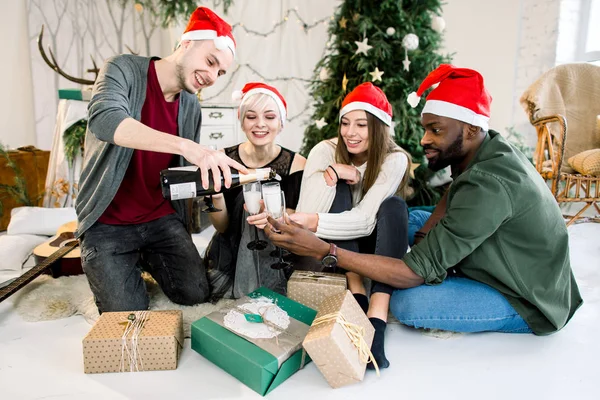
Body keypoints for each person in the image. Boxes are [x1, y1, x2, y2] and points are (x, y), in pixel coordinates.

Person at [265, 64, 582, 338]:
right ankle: (373, 275)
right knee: (397, 214)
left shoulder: (488, 184)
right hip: (502, 242)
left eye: (436, 130)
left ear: (470, 129)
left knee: (407, 303)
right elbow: (454, 191)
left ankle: (373, 302)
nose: (424, 139)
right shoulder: (487, 147)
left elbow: (413, 273)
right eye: (425, 128)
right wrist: (421, 235)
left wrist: (327, 250)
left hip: (525, 295)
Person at [75, 7, 247, 313]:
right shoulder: (123, 69)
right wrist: (189, 146)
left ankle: (144, 258)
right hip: (107, 223)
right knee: (127, 313)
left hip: (160, 219)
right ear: (186, 43)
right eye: (210, 62)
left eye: (220, 72)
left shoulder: (191, 105)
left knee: (195, 294)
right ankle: (118, 264)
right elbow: (105, 119)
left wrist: (212, 180)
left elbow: (179, 170)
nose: (212, 77)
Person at [291, 82, 411, 369]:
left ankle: (377, 320)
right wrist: (332, 175)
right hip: (336, 246)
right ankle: (356, 292)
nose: (350, 133)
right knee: (341, 189)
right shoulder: (324, 150)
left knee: (394, 206)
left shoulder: (395, 159)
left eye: (361, 125)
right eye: (345, 123)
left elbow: (366, 220)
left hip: (374, 240)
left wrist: (312, 220)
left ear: (379, 128)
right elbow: (309, 212)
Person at [203, 82, 306, 299]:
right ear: (242, 122)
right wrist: (217, 195)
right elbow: (222, 228)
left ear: (281, 123)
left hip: (278, 249)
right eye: (251, 117)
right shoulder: (223, 159)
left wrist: (272, 216)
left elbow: (300, 221)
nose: (260, 124)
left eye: (269, 117)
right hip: (234, 247)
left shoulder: (298, 165)